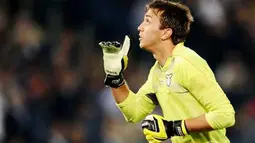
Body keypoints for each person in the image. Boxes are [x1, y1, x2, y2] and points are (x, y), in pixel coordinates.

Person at [99, 0, 235, 143]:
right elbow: (134, 112)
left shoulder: (186, 63)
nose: (140, 27)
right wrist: (115, 77)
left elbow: (225, 115)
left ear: (166, 32)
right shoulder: (158, 71)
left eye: (147, 21)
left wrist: (174, 128)